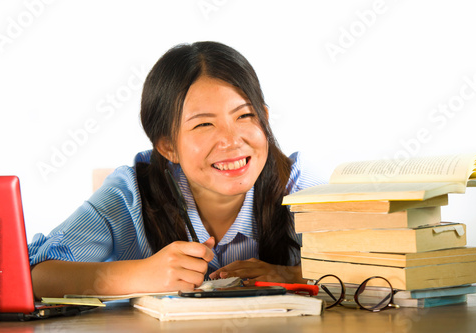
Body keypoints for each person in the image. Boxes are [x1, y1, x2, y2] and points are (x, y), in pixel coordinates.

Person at [29, 41, 324, 299]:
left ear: (265, 119)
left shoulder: (300, 187)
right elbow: (33, 275)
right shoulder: (132, 193)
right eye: (204, 124)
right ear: (168, 146)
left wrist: (293, 275)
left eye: (245, 115)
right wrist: (139, 275)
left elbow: (369, 272)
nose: (233, 141)